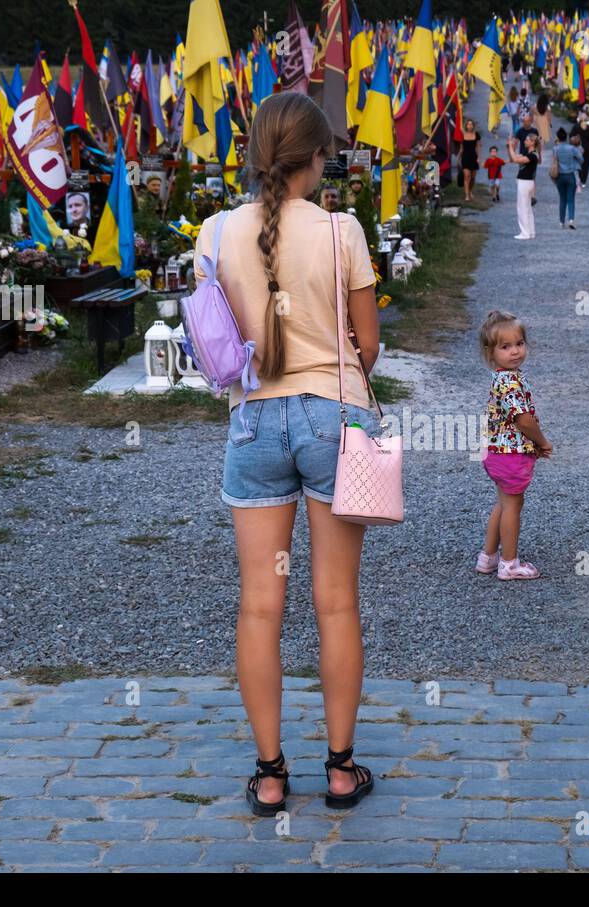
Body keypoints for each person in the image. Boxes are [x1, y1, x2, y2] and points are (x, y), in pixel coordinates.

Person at [192, 92, 383, 813]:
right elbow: (367, 346)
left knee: (259, 605)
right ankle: (339, 769)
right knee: (336, 602)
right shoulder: (342, 232)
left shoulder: (212, 232)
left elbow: (213, 337)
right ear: (316, 157)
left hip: (252, 421)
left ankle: (270, 773)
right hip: (333, 418)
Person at [475, 311, 551, 580]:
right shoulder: (509, 383)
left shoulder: (504, 377)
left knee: (503, 502)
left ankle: (488, 557)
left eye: (519, 343)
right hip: (510, 453)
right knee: (513, 506)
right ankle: (509, 563)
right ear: (490, 352)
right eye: (505, 347)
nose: (515, 351)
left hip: (495, 451)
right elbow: (524, 420)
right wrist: (541, 441)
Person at [509, 131, 540, 240]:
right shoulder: (530, 154)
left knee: (522, 207)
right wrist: (511, 147)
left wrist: (510, 147)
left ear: (532, 142)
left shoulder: (532, 155)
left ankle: (525, 233)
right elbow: (513, 158)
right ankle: (531, 232)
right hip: (527, 182)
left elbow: (515, 159)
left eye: (527, 140)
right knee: (527, 208)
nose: (525, 141)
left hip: (525, 182)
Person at [553, 128, 583, 229]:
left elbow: (554, 161)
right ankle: (571, 220)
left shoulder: (555, 149)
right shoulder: (572, 149)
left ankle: (561, 222)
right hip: (570, 175)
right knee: (571, 199)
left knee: (562, 199)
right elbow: (581, 159)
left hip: (559, 176)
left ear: (558, 137)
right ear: (566, 137)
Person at [460, 119, 480, 202]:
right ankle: (467, 195)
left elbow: (478, 147)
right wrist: (458, 159)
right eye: (468, 124)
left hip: (474, 157)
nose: (469, 126)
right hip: (465, 157)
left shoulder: (476, 135)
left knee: (473, 177)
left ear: (473, 126)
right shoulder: (462, 135)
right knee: (466, 176)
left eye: (471, 124)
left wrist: (479, 157)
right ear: (466, 126)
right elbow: (461, 148)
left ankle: (470, 191)